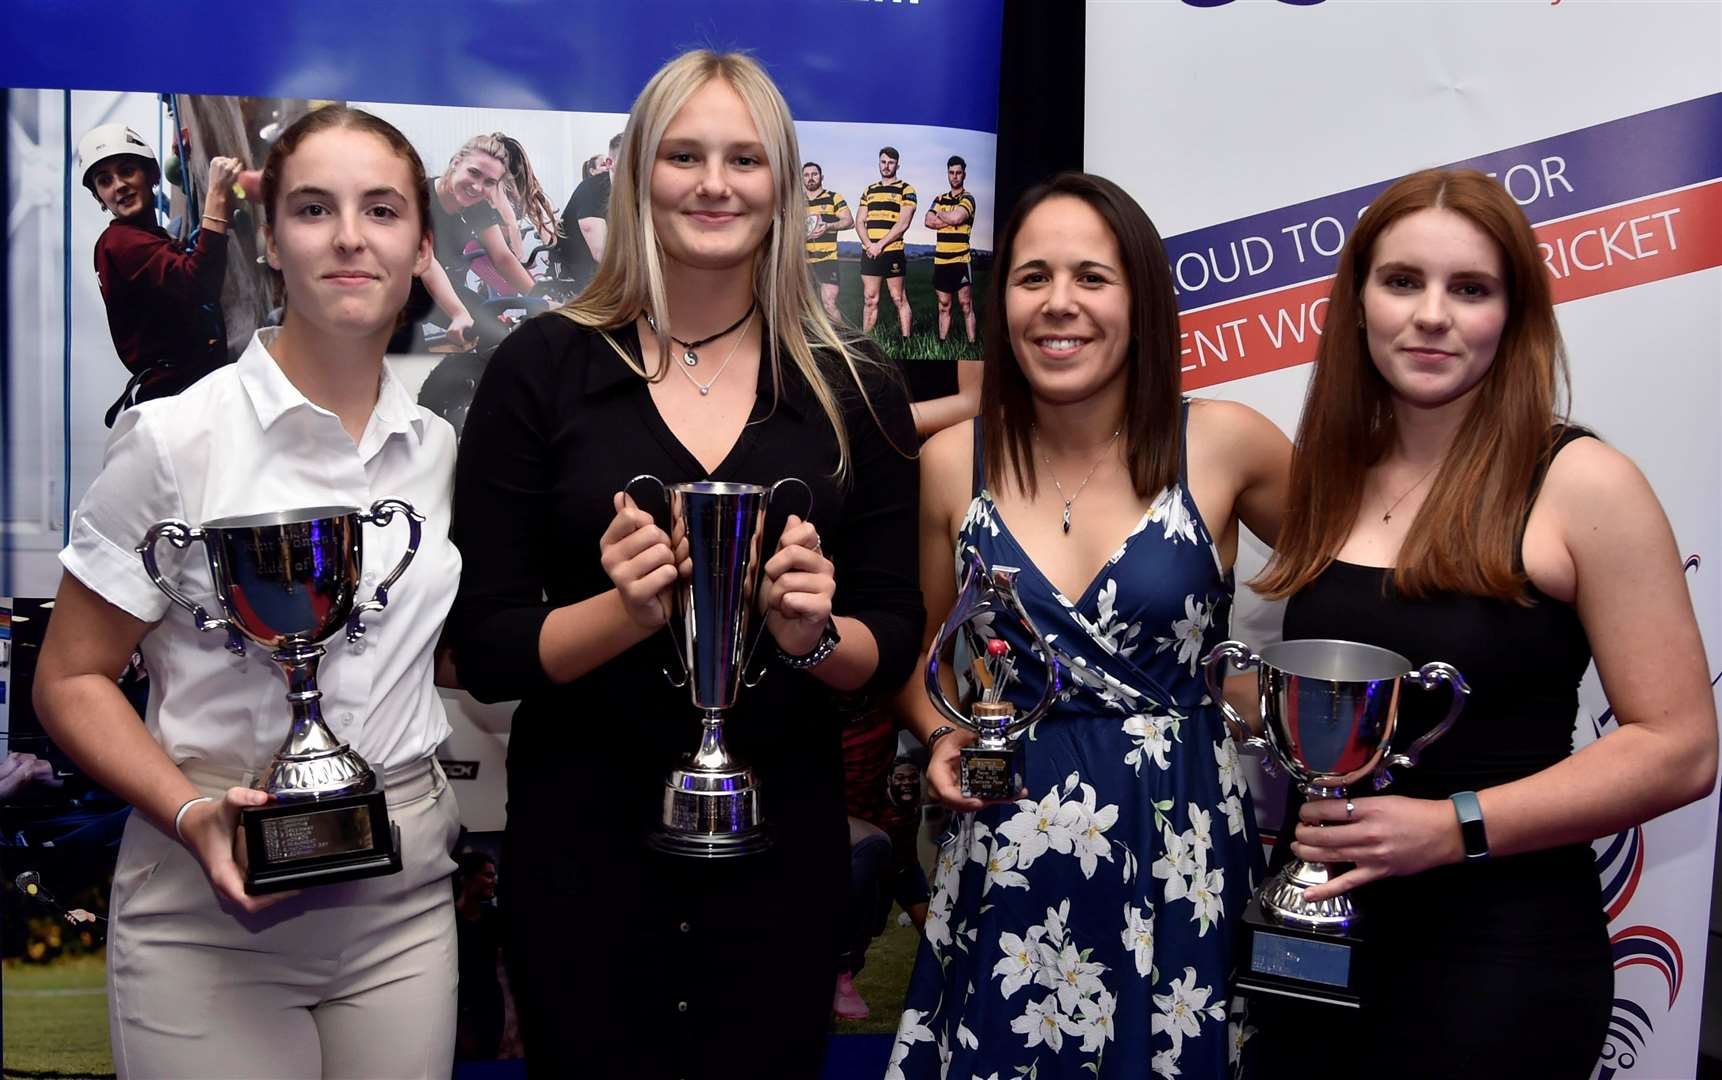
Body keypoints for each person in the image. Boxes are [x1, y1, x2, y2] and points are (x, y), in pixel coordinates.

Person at [446, 50, 922, 1079]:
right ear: (637, 178)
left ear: (785, 184)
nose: (715, 183)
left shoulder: (857, 389)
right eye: (686, 155)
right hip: (581, 848)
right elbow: (483, 645)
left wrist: (811, 636)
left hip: (782, 851)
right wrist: (621, 612)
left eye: (745, 158)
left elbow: (888, 639)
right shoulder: (542, 369)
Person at [1248, 167, 1718, 1079]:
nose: (1432, 315)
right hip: (1314, 938)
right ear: (1356, 306)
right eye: (1402, 282)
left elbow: (1680, 747)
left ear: (1515, 314)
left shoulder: (1583, 484)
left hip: (1498, 955)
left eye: (1471, 288)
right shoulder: (1333, 478)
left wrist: (1451, 825)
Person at [33, 105, 464, 1079]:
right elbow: (69, 680)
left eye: (383, 210)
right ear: (269, 239)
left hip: (403, 915)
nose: (350, 237)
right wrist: (189, 813)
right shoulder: (173, 439)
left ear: (421, 245)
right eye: (314, 208)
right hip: (205, 919)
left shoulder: (439, 452)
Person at [890, 173, 1291, 1079]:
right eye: (1032, 277)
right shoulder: (955, 461)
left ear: (1142, 299)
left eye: (1091, 277)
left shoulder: (1225, 443)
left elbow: (1358, 579)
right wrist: (933, 734)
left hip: (1180, 843)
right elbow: (927, 663)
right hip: (1008, 854)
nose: (1058, 303)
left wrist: (1277, 699)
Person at [77, 123, 240, 426]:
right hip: (179, 398)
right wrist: (217, 193)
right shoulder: (120, 243)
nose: (119, 186)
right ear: (100, 198)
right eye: (105, 181)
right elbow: (198, 283)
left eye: (127, 171)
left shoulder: (143, 239)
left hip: (176, 395)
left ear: (151, 175)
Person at [858, 146, 917, 337]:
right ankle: (865, 340)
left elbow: (903, 223)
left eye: (891, 162)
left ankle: (907, 342)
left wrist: (880, 245)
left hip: (892, 251)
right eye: (883, 162)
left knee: (898, 297)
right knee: (870, 299)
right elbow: (859, 221)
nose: (886, 166)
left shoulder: (906, 189)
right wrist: (869, 245)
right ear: (879, 163)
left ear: (897, 165)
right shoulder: (869, 190)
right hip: (869, 251)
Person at [453, 850, 505, 1061]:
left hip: (491, 1006)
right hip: (461, 1007)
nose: (493, 881)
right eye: (488, 875)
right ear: (467, 879)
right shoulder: (450, 921)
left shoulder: (493, 919)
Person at [558, 131, 623, 294]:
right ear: (610, 163)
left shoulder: (634, 192)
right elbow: (600, 252)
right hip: (582, 268)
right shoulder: (593, 189)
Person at [925, 155, 977, 345]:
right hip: (941, 261)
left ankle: (972, 344)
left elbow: (957, 218)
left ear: (964, 174)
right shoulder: (939, 198)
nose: (955, 176)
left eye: (958, 173)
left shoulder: (969, 198)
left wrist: (941, 215)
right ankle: (942, 343)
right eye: (951, 173)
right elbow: (927, 221)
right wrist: (949, 217)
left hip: (961, 261)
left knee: (965, 305)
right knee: (944, 306)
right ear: (947, 174)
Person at [801, 161, 853, 322]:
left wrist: (829, 226)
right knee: (804, 306)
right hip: (803, 260)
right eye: (807, 175)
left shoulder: (833, 198)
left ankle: (844, 341)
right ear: (802, 179)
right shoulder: (796, 201)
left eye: (814, 174)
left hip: (827, 259)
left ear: (821, 177)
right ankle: (811, 343)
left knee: (829, 303)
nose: (810, 178)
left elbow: (849, 221)